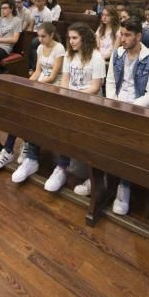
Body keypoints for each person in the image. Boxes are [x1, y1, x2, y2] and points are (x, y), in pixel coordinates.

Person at [75, 18, 149, 214]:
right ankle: (98, 179)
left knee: (127, 146)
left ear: (138, 36)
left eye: (127, 35)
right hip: (116, 105)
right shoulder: (117, 54)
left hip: (138, 110)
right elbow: (111, 83)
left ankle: (125, 186)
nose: (122, 38)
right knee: (98, 137)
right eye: (121, 34)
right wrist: (114, 103)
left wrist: (128, 107)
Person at [0, 22, 66, 178]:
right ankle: (9, 150)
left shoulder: (59, 48)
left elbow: (52, 76)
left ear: (51, 35)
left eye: (43, 36)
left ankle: (27, 146)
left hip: (54, 87)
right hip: (40, 84)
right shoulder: (39, 47)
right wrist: (27, 84)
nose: (40, 39)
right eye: (39, 36)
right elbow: (38, 71)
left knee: (30, 111)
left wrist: (34, 86)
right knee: (18, 108)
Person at [44, 23, 106, 193]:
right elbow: (65, 80)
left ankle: (89, 173)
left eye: (74, 38)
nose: (70, 41)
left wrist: (74, 97)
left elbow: (95, 87)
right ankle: (62, 167)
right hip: (71, 100)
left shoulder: (96, 57)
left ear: (84, 38)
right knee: (60, 128)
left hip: (90, 103)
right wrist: (65, 97)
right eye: (69, 38)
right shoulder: (69, 56)